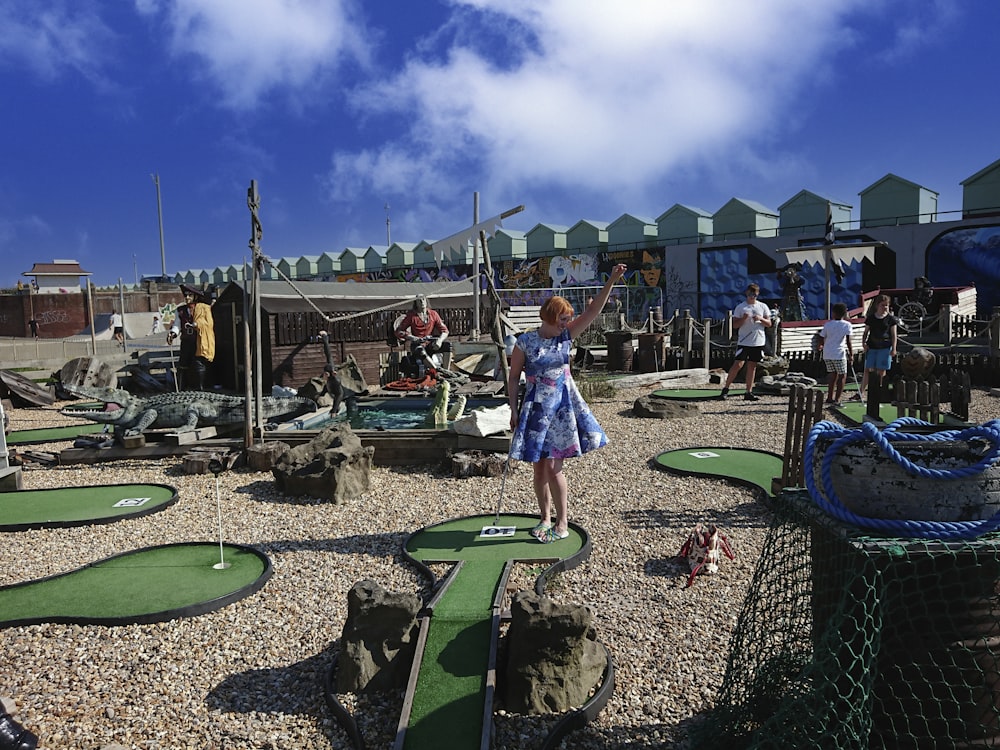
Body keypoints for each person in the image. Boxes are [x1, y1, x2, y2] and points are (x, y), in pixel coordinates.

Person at [507, 263, 628, 544]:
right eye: (562, 318)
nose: (566, 323)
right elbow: (514, 378)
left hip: (561, 409)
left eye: (567, 319)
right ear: (549, 317)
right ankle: (544, 518)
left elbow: (593, 311)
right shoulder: (524, 342)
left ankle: (562, 522)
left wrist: (611, 279)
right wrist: (513, 410)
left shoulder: (565, 337)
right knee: (538, 468)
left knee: (554, 468)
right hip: (536, 408)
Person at [720, 283, 771, 401]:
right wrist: (743, 318)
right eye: (750, 294)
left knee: (752, 366)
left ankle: (749, 391)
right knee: (738, 364)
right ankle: (726, 388)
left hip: (758, 341)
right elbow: (734, 325)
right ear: (746, 294)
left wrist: (761, 319)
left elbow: (769, 324)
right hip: (744, 341)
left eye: (754, 294)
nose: (752, 296)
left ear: (757, 295)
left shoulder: (763, 306)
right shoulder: (741, 307)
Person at [167, 285, 215, 391]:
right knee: (183, 365)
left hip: (198, 340)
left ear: (195, 296)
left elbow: (209, 323)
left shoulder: (203, 308)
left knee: (199, 365)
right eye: (186, 295)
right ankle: (181, 389)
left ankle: (200, 388)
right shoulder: (181, 310)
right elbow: (177, 325)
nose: (187, 297)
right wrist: (173, 334)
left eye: (190, 295)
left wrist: (196, 324)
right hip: (186, 341)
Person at [852, 294, 899, 402]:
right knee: (868, 369)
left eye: (886, 305)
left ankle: (879, 392)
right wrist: (863, 343)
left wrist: (894, 348)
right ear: (877, 305)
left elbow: (894, 335)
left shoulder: (891, 319)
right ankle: (861, 392)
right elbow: (866, 332)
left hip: (885, 347)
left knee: (881, 371)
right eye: (883, 305)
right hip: (872, 346)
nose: (885, 307)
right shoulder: (871, 318)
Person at [395, 295, 452, 376]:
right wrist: (411, 337)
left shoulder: (433, 314)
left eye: (423, 300)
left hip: (430, 343)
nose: (422, 302)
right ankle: (437, 372)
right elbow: (399, 331)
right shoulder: (411, 316)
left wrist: (439, 340)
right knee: (420, 350)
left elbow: (445, 331)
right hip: (417, 344)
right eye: (419, 300)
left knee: (447, 345)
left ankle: (447, 372)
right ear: (416, 303)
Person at [818, 302, 854, 406]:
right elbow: (848, 341)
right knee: (842, 375)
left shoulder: (828, 324)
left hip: (827, 353)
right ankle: (837, 399)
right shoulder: (847, 325)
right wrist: (851, 354)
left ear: (833, 313)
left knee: (832, 375)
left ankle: (829, 397)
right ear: (845, 313)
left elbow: (821, 337)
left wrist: (820, 346)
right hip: (839, 353)